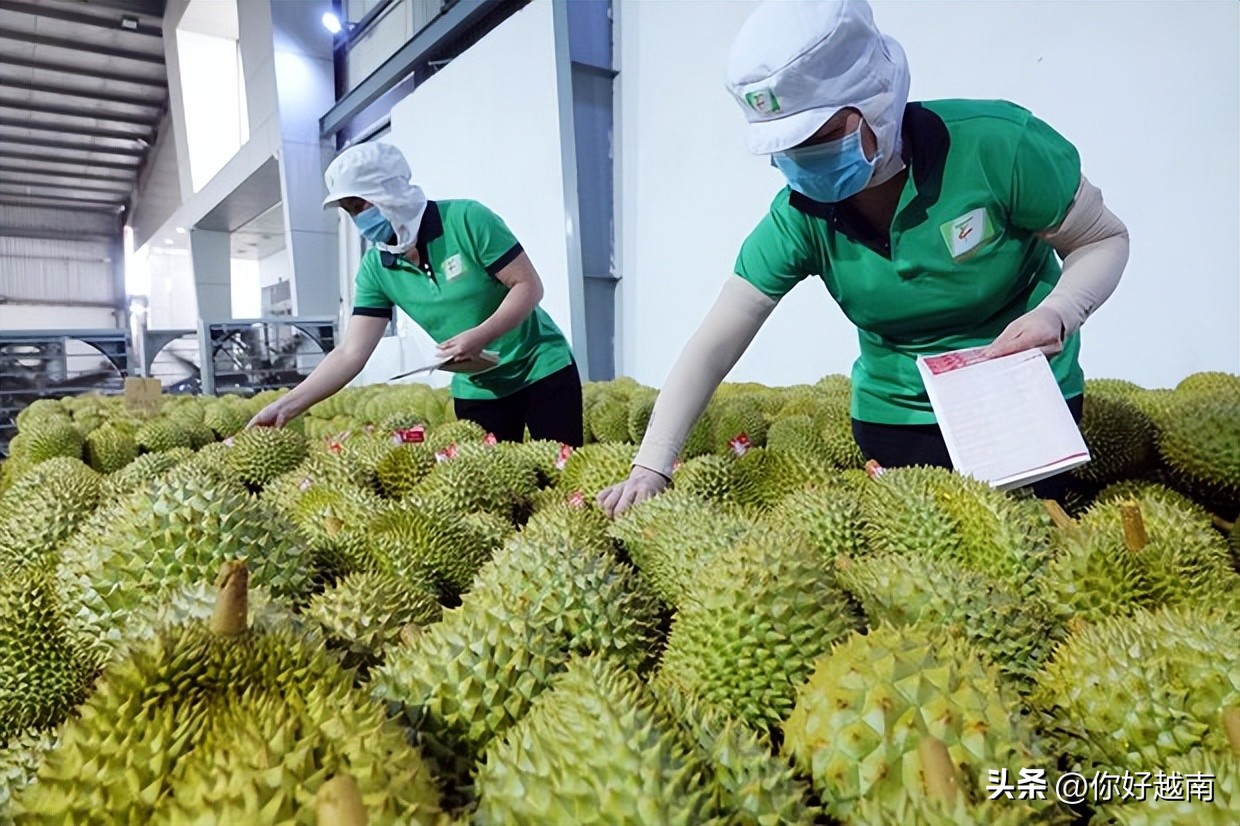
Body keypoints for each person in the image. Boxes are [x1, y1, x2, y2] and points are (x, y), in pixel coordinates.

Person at [598, 0, 1129, 517]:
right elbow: (715, 340)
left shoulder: (998, 147)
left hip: (1024, 403)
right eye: (789, 148)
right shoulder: (798, 216)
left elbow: (1102, 239)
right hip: (895, 417)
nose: (805, 160)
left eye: (820, 136)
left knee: (1029, 557)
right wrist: (653, 466)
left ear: (874, 99)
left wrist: (1059, 310)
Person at [249, 142, 583, 445]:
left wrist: (481, 335)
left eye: (359, 204)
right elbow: (351, 352)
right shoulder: (376, 268)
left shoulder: (466, 219)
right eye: (349, 210)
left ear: (389, 192)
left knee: (561, 478)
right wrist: (287, 406)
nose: (357, 217)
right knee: (493, 496)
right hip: (477, 386)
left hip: (541, 368)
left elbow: (528, 286)